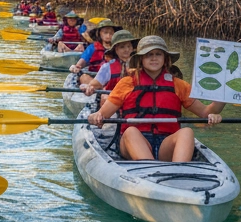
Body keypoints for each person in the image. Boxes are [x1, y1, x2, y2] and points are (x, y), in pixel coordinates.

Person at [87, 36, 224, 163]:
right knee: (131, 131)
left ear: (165, 58)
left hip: (166, 144)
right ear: (141, 59)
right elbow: (103, 114)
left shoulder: (178, 85)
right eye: (149, 55)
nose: (154, 58)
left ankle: (179, 170)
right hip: (134, 143)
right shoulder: (126, 83)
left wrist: (223, 98)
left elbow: (205, 113)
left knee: (187, 132)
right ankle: (151, 169)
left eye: (158, 54)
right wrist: (97, 116)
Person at [69, 19, 117, 89]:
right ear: (99, 33)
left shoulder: (118, 48)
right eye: (105, 32)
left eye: (111, 33)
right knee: (84, 77)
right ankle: (101, 90)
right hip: (93, 78)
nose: (108, 35)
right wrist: (75, 67)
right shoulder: (92, 48)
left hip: (112, 79)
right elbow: (80, 64)